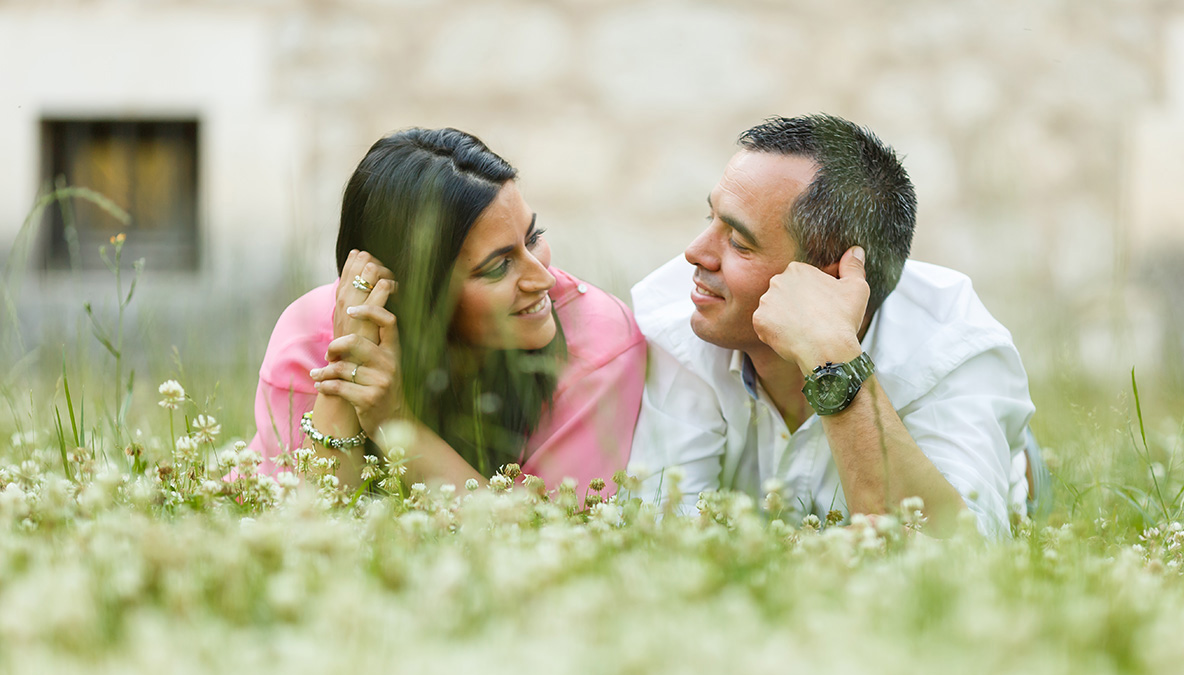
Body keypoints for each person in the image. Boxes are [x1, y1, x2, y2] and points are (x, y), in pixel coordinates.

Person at [626, 115, 1036, 537]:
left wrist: (831, 359)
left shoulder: (953, 347)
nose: (694, 253)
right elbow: (664, 541)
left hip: (961, 437)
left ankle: (1021, 459)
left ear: (830, 280)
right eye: (710, 217)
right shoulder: (678, 317)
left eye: (738, 242)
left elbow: (957, 562)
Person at [247, 128, 646, 496]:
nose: (542, 279)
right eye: (497, 266)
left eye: (533, 237)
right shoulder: (313, 336)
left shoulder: (597, 344)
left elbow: (546, 539)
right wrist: (347, 367)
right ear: (420, 296)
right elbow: (308, 526)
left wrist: (396, 422)